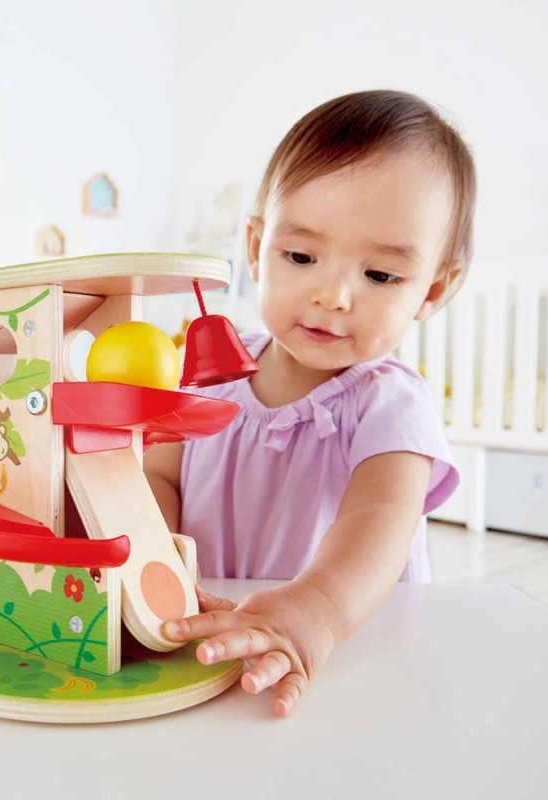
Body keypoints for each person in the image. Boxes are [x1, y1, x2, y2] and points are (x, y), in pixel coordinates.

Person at [144, 89, 477, 717]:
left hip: (346, 655)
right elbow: (159, 477)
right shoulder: (206, 372)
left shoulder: (390, 404)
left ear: (433, 289)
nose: (333, 296)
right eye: (301, 256)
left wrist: (316, 609)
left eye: (379, 275)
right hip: (208, 643)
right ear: (255, 248)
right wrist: (152, 555)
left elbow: (381, 519)